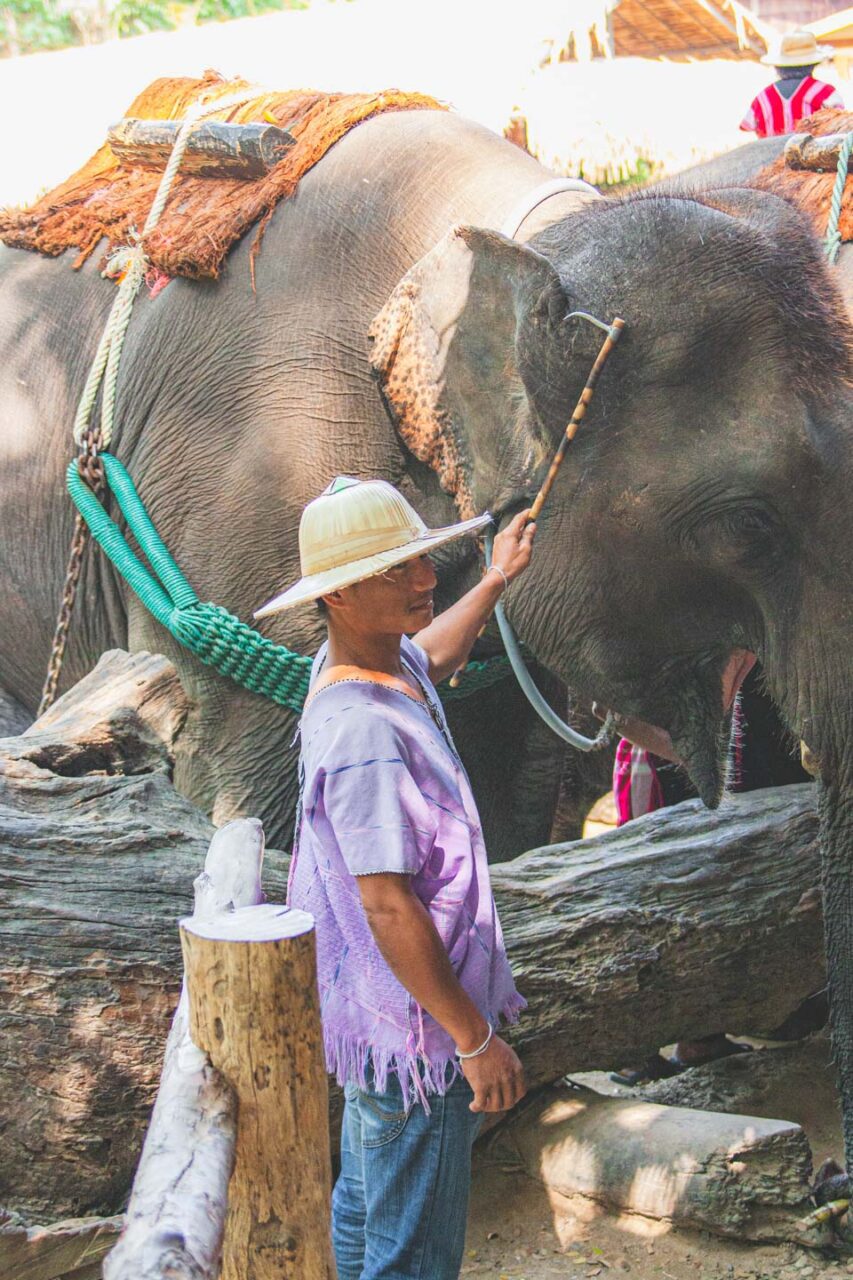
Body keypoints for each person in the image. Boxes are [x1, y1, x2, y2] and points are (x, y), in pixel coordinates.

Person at [254, 476, 535, 1280]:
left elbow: (432, 656)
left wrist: (493, 580)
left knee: (364, 1210)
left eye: (421, 561)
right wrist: (472, 1039)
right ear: (339, 595)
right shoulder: (366, 735)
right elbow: (385, 902)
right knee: (411, 1256)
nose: (424, 579)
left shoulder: (360, 664)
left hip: (375, 1019)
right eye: (399, 571)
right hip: (421, 1035)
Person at [740, 29, 842, 139]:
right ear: (812, 65)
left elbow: (748, 125)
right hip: (811, 155)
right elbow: (841, 125)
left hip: (770, 155)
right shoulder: (824, 92)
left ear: (779, 66)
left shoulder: (763, 97)